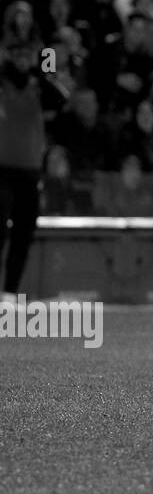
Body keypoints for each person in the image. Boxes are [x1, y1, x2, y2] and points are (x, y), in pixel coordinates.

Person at [0, 44, 68, 304]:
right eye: (16, 54)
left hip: (28, 171)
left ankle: (8, 293)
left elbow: (62, 100)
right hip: (2, 170)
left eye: (26, 55)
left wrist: (40, 75)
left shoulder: (38, 87)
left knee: (23, 233)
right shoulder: (3, 84)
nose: (21, 60)